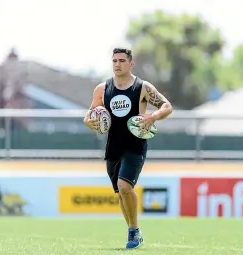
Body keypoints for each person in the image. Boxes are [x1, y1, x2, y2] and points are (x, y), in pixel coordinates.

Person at [83, 48, 173, 249]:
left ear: (131, 64)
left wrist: (152, 117)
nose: (117, 64)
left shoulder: (142, 87)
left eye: (122, 60)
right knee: (120, 193)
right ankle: (134, 231)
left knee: (125, 187)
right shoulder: (102, 88)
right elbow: (88, 115)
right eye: (114, 60)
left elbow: (167, 106)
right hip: (113, 145)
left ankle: (133, 231)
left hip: (135, 144)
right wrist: (91, 123)